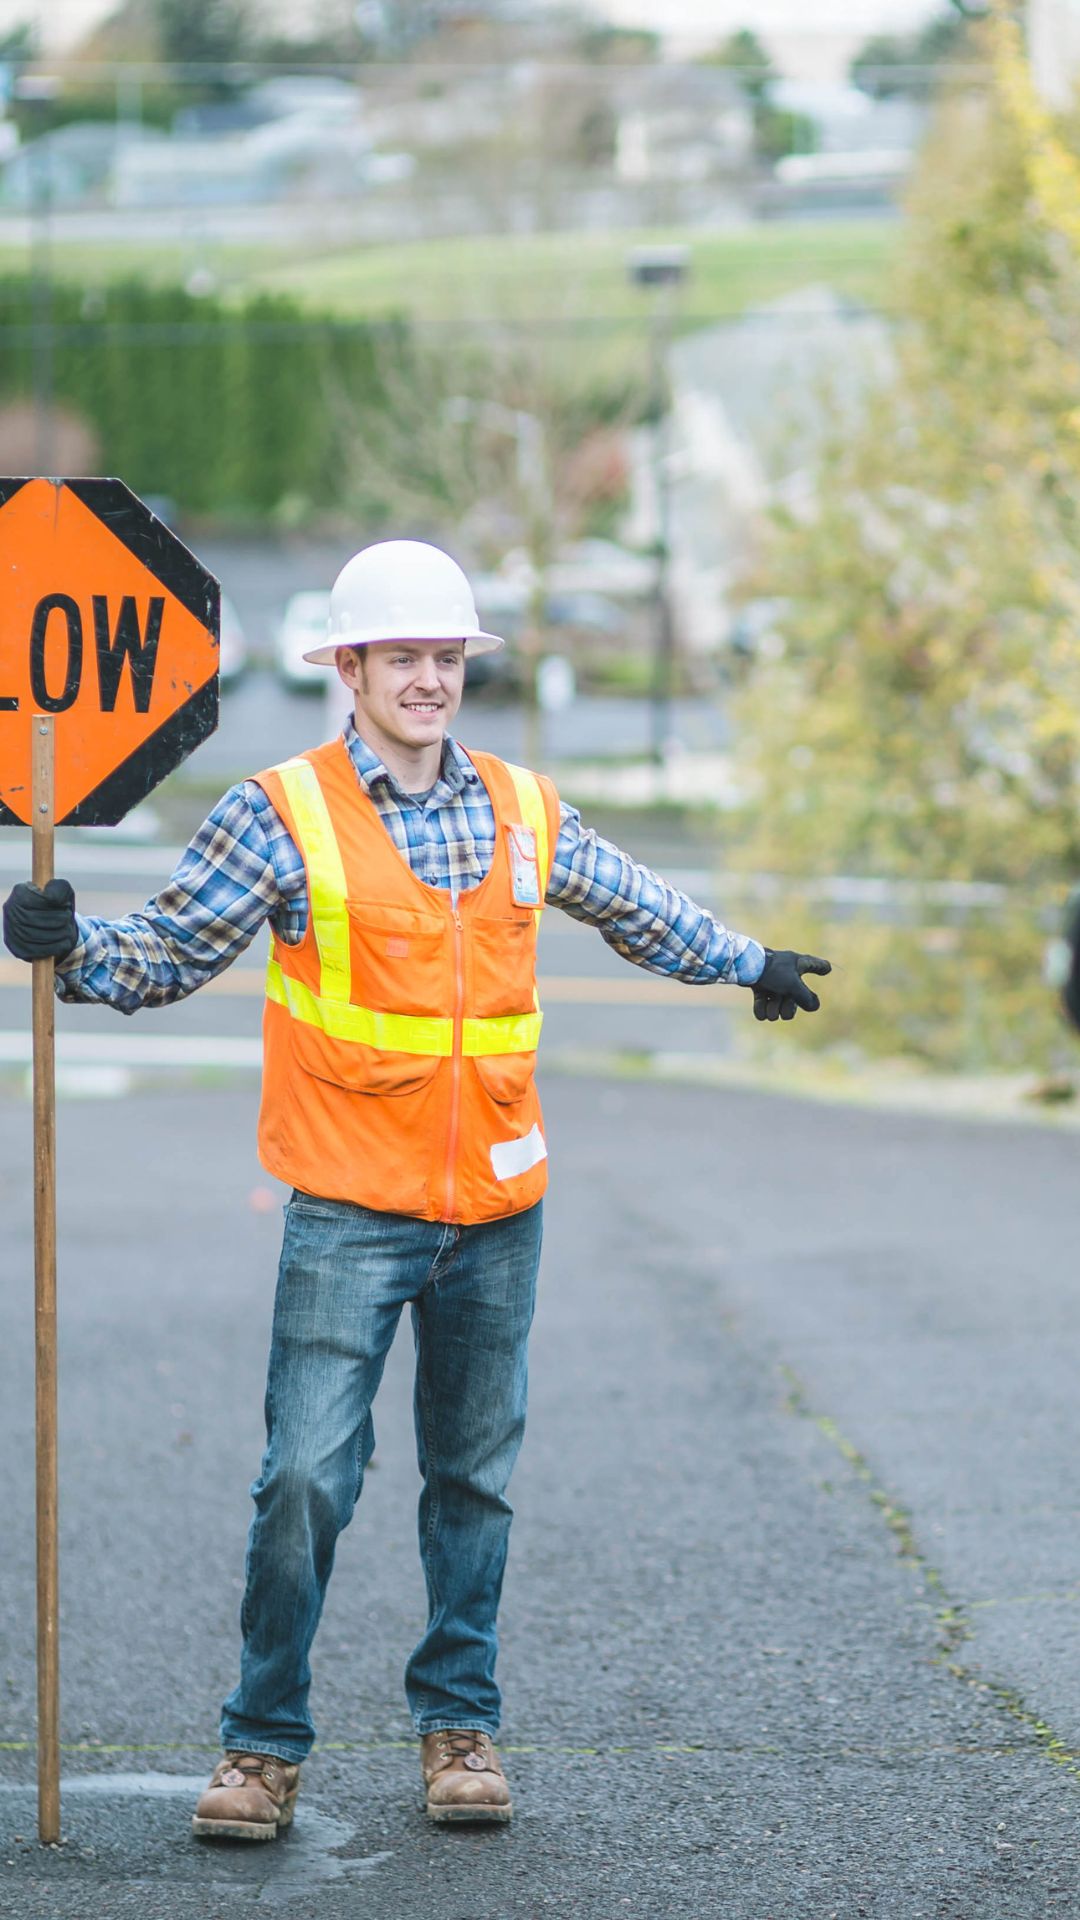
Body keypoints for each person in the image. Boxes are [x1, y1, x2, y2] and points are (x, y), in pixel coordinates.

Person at [2, 539, 831, 1837]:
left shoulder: (517, 806)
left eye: (448, 658)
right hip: (347, 1207)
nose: (432, 680)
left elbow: (630, 901)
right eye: (407, 658)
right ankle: (260, 1746)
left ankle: (461, 1730)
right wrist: (70, 951)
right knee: (305, 1483)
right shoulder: (279, 812)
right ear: (350, 667)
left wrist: (746, 960)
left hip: (498, 1212)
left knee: (475, 1480)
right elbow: (165, 952)